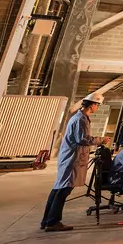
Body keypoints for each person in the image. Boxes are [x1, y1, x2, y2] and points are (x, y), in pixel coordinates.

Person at [40, 93, 110, 232]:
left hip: (70, 158)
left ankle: (47, 220)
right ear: (92, 105)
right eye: (97, 105)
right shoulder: (81, 119)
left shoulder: (79, 118)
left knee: (58, 189)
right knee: (63, 190)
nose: (97, 107)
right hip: (73, 159)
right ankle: (52, 222)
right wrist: (100, 140)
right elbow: (82, 139)